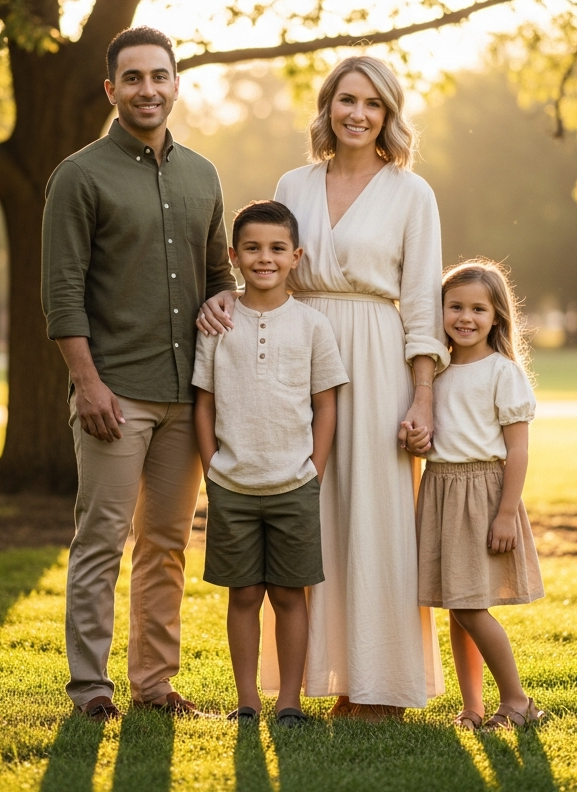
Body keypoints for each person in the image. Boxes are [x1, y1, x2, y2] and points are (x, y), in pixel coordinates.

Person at [199, 56, 448, 720]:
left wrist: (422, 395)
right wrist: (224, 299)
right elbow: (267, 263)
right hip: (293, 358)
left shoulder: (411, 193)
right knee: (309, 517)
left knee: (374, 517)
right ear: (327, 106)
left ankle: (379, 686)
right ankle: (315, 681)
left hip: (375, 358)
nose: (357, 114)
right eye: (347, 99)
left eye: (372, 103)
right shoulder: (295, 183)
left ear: (388, 115)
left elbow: (422, 302)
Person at [41, 25, 236, 721]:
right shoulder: (80, 176)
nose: (147, 90)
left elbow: (220, 274)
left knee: (166, 546)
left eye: (158, 76)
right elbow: (62, 291)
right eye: (133, 78)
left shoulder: (203, 175)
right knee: (100, 540)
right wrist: (88, 383)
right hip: (116, 394)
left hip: (187, 396)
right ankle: (90, 687)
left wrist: (223, 298)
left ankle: (154, 685)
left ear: (176, 84)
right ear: (111, 89)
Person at [192, 200, 348, 727]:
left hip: (294, 485)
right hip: (232, 485)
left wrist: (314, 470)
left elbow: (326, 404)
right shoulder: (217, 323)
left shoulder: (312, 325)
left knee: (288, 593)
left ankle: (289, 703)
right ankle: (247, 702)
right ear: (233, 255)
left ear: (295, 256)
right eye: (253, 248)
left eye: (277, 248)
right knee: (243, 594)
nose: (265, 258)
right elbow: (203, 404)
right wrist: (212, 467)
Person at [409, 259, 545, 731]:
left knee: (470, 605)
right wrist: (416, 439)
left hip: (482, 493)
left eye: (478, 309)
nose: (465, 317)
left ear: (496, 316)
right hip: (440, 489)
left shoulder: (502, 372)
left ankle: (518, 701)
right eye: (455, 307)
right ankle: (472, 707)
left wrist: (505, 514)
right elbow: (433, 433)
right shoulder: (434, 371)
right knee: (457, 605)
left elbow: (518, 450)